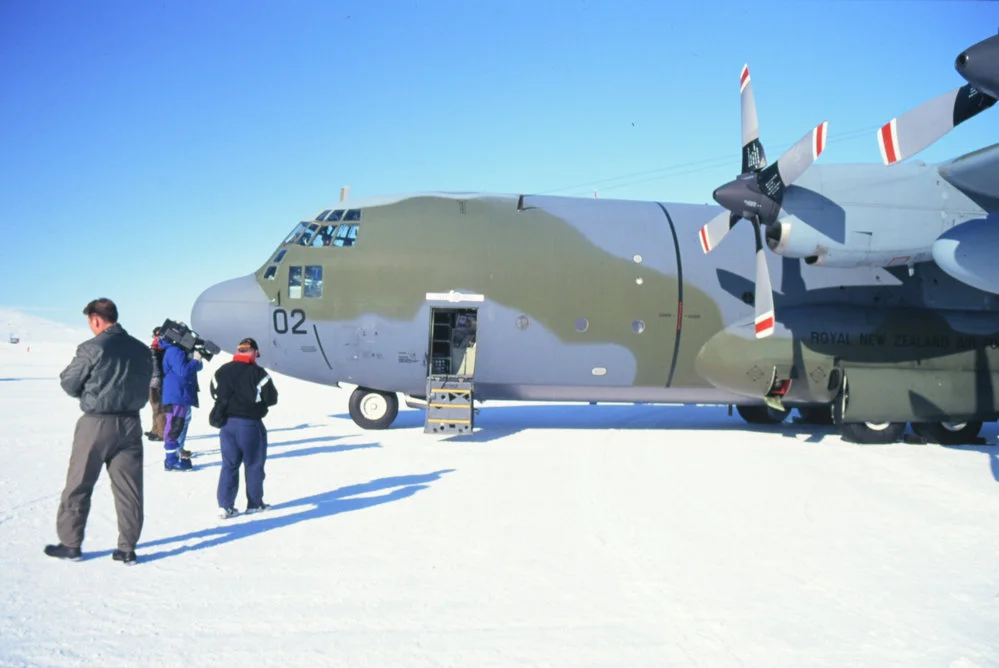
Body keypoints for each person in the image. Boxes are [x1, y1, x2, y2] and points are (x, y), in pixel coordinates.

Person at [45, 298, 152, 564]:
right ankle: (127, 548)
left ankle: (71, 544)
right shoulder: (141, 350)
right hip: (130, 424)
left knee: (79, 484)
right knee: (129, 490)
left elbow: (69, 382)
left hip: (96, 423)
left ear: (95, 319)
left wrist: (90, 391)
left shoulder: (93, 347)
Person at [211, 337, 278, 518]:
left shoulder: (221, 371)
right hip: (250, 425)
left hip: (227, 425)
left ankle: (225, 506)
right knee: (254, 464)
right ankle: (254, 504)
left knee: (229, 465)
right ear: (254, 352)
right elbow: (271, 398)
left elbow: (214, 392)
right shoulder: (258, 374)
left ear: (238, 351)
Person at [160, 327, 203, 471]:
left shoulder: (177, 350)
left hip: (180, 394)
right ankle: (171, 461)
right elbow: (183, 370)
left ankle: (173, 459)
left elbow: (191, 368)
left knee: (177, 426)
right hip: (176, 395)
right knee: (174, 427)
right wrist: (195, 361)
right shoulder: (174, 351)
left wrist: (195, 360)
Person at [144, 327, 166, 442]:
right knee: (155, 407)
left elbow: (156, 366)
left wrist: (157, 378)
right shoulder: (155, 346)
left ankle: (161, 433)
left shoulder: (160, 347)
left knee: (159, 407)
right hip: (153, 381)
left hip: (157, 381)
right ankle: (155, 430)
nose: (156, 337)